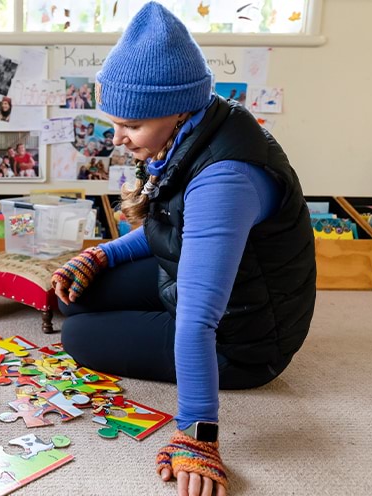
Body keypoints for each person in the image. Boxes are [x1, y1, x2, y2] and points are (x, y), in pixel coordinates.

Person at [50, 3, 315, 496]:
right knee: (78, 296)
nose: (119, 139)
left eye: (131, 125)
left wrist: (198, 432)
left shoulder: (226, 177)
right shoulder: (199, 129)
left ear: (178, 110)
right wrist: (101, 255)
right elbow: (167, 226)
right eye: (114, 122)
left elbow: (198, 319)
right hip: (225, 283)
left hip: (246, 338)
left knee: (80, 336)